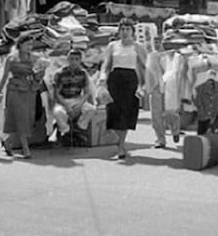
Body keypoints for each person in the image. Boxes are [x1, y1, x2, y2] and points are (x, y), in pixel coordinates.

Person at [102, 19, 146, 160]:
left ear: (132, 31)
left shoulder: (137, 46)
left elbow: (144, 66)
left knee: (127, 113)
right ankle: (118, 139)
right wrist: (102, 79)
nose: (125, 32)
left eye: (128, 29)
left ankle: (121, 145)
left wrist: (143, 85)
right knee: (113, 111)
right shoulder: (112, 46)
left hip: (130, 79)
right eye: (122, 29)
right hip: (115, 79)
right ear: (119, 31)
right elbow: (106, 64)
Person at [0, 34, 43, 159]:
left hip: (30, 90)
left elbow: (38, 76)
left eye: (31, 44)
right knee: (20, 117)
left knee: (28, 118)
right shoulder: (11, 58)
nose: (29, 47)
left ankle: (8, 142)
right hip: (16, 90)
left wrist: (40, 72)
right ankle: (25, 148)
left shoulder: (35, 58)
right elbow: (5, 76)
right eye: (27, 44)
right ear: (20, 45)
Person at [50, 48, 97, 145]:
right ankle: (65, 131)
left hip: (77, 99)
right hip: (63, 100)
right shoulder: (60, 73)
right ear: (68, 60)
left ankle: (79, 128)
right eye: (71, 59)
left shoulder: (83, 73)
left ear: (80, 61)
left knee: (91, 109)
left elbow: (86, 92)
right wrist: (66, 106)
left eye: (76, 59)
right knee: (58, 112)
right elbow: (57, 93)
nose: (74, 62)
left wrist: (80, 104)